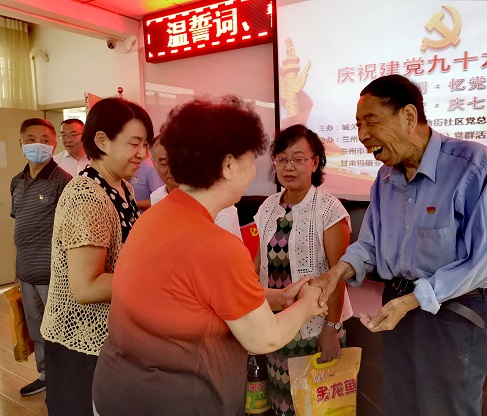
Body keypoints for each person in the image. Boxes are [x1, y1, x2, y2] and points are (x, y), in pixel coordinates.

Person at [92, 95, 328, 416]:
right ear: (229, 166)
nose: (254, 169)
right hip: (178, 402)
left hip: (116, 391)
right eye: (251, 159)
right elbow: (264, 338)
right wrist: (307, 305)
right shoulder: (217, 245)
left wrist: (277, 298)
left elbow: (193, 296)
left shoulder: (154, 217)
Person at [311, 74, 487, 416]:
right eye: (358, 125)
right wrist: (339, 271)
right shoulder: (385, 179)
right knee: (400, 405)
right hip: (397, 311)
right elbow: (369, 244)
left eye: (371, 121)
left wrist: (415, 299)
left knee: (446, 409)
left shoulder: (473, 165)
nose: (362, 135)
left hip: (453, 317)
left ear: (409, 117)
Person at [40, 97, 154, 416]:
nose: (143, 154)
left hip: (110, 336)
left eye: (145, 144)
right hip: (80, 340)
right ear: (102, 140)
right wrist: (154, 279)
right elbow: (86, 287)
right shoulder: (87, 196)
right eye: (134, 143)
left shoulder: (122, 188)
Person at [254, 124, 352, 416]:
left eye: (298, 159)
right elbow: (258, 263)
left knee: (316, 407)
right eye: (281, 159)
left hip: (315, 329)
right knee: (282, 403)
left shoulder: (329, 209)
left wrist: (331, 329)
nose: (289, 166)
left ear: (315, 162)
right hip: (275, 326)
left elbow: (338, 274)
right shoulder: (267, 207)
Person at [10, 118, 72, 396]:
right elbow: (20, 226)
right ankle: (46, 376)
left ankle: (66, 380)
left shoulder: (64, 181)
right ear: (21, 143)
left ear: (54, 144)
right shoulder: (17, 181)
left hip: (54, 274)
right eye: (31, 139)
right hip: (26, 272)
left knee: (60, 329)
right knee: (36, 330)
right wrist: (17, 268)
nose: (38, 144)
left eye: (45, 140)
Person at [149, 134, 242, 239]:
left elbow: (229, 247)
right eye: (164, 163)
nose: (172, 170)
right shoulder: (157, 197)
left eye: (177, 162)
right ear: (153, 164)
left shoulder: (219, 204)